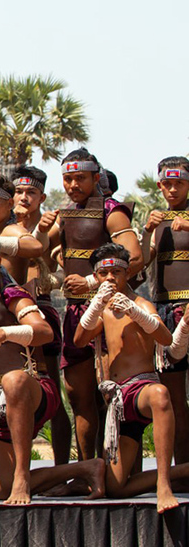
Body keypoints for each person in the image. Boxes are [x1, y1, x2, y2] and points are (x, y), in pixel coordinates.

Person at [0, 235, 105, 504]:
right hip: (3, 401)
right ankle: (86, 468)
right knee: (0, 490)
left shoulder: (14, 294)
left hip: (34, 389)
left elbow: (44, 332)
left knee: (14, 380)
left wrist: (6, 333)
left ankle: (22, 477)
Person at [39, 148, 142, 461]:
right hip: (75, 313)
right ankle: (88, 469)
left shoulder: (112, 211)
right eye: (68, 178)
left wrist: (92, 282)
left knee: (116, 393)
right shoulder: (65, 214)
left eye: (80, 178)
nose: (73, 184)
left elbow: (135, 258)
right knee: (79, 397)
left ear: (96, 178)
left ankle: (122, 471)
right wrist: (41, 230)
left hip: (111, 311)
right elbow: (38, 251)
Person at [74, 243, 188, 513]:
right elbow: (79, 340)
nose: (110, 278)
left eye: (116, 272)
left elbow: (165, 338)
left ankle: (164, 485)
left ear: (127, 273)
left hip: (142, 389)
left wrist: (134, 312)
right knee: (115, 488)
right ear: (96, 277)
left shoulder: (141, 304)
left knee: (160, 395)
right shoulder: (101, 309)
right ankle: (184, 471)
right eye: (104, 273)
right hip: (119, 400)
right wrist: (96, 304)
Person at [11, 166, 72, 465]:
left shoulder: (54, 227)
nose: (24, 197)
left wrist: (52, 279)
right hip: (7, 315)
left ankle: (61, 468)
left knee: (53, 392)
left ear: (42, 197)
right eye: (18, 191)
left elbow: (67, 266)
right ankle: (14, 467)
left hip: (41, 311)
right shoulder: (3, 227)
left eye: (31, 192)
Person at [140, 156, 189, 464]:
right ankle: (182, 471)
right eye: (167, 184)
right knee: (173, 398)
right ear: (159, 186)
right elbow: (140, 262)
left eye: (179, 183)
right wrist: (146, 231)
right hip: (166, 313)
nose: (172, 189)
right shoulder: (158, 223)